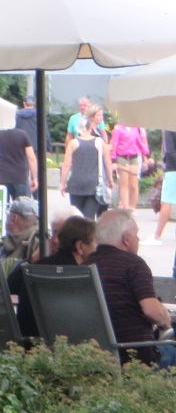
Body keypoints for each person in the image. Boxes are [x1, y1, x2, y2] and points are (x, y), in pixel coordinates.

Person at [85, 209, 172, 367]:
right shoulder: (133, 264)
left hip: (93, 356)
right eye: (136, 234)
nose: (138, 239)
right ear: (126, 239)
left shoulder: (85, 265)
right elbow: (153, 312)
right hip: (136, 357)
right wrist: (165, 319)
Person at [13, 215, 97, 338]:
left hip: (29, 343)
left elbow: (10, 286)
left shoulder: (36, 268)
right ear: (80, 247)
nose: (97, 248)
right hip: (66, 349)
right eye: (95, 242)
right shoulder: (80, 276)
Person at [60, 105, 114, 220]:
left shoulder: (73, 143)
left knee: (76, 218)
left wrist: (62, 183)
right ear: (90, 126)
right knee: (89, 218)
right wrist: (110, 180)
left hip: (75, 184)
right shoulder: (99, 142)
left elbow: (67, 165)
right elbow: (107, 163)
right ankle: (89, 236)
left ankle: (78, 237)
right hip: (93, 185)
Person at [0, 127, 38, 200]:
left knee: (2, 207)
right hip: (19, 177)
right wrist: (34, 178)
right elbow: (31, 158)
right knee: (22, 207)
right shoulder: (22, 134)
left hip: (0, 177)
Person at [111, 124, 150, 212]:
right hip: (122, 157)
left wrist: (146, 154)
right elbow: (114, 143)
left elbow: (139, 142)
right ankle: (125, 208)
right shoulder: (118, 129)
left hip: (133, 157)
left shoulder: (135, 128)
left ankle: (133, 207)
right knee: (124, 184)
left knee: (134, 185)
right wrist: (113, 159)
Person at [0, 196, 41, 265]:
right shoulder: (10, 241)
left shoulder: (37, 242)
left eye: (8, 213)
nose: (7, 216)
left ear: (14, 218)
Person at [151, 131, 176, 247]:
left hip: (173, 169)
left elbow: (170, 151)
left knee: (166, 202)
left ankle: (157, 235)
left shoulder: (169, 127)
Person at [14, 94, 49, 158]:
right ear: (34, 103)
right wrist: (48, 148)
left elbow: (16, 131)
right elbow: (45, 132)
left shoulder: (18, 115)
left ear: (24, 103)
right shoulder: (40, 114)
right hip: (37, 147)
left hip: (22, 146)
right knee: (36, 166)